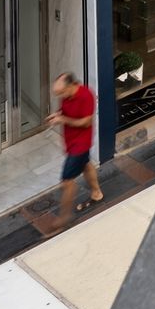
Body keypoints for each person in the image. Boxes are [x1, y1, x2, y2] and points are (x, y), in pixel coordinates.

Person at [48, 71, 102, 225]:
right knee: (85, 164)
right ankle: (97, 193)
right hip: (71, 141)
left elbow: (86, 122)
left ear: (71, 85)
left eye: (61, 92)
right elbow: (64, 111)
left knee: (67, 180)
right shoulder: (66, 96)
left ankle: (64, 217)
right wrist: (57, 115)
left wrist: (62, 119)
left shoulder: (86, 96)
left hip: (80, 143)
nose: (60, 96)